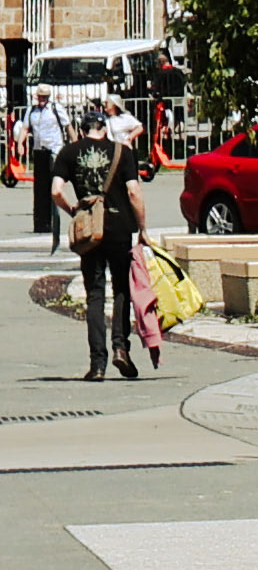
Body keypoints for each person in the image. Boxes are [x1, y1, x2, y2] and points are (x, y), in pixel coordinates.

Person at [52, 106, 151, 380]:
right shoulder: (123, 152)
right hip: (119, 227)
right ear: (105, 129)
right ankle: (121, 348)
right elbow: (133, 191)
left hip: (89, 230)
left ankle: (97, 364)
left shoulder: (69, 153)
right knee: (121, 288)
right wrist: (142, 228)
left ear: (83, 130)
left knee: (95, 294)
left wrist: (73, 209)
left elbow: (55, 190)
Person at [22, 88, 67, 243]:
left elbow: (67, 126)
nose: (41, 99)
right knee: (39, 187)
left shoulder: (56, 109)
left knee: (52, 185)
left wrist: (75, 144)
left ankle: (53, 221)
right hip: (39, 150)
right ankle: (41, 223)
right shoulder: (32, 111)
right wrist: (20, 143)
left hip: (54, 149)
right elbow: (25, 128)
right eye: (39, 96)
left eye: (44, 97)